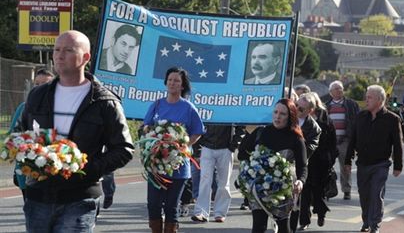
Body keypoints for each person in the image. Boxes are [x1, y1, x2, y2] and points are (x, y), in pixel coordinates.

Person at [20, 30, 134, 232]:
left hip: (79, 198)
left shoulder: (105, 101)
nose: (59, 55)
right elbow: (23, 134)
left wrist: (87, 169)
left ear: (85, 58)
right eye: (56, 49)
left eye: (68, 50)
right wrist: (29, 157)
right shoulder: (37, 95)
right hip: (38, 196)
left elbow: (124, 149)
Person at [142, 67, 205, 233]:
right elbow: (146, 126)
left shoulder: (189, 108)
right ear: (165, 82)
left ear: (182, 85)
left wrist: (184, 146)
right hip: (157, 164)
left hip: (178, 166)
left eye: (176, 81)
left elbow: (198, 131)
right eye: (170, 79)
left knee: (171, 206)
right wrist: (154, 137)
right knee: (153, 205)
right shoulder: (156, 105)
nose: (172, 83)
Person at [238, 98, 308, 233]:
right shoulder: (261, 132)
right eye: (275, 112)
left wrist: (300, 181)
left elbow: (303, 166)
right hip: (259, 187)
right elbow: (242, 154)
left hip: (283, 189)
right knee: (259, 227)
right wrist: (253, 167)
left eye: (282, 114)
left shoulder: (296, 138)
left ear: (290, 116)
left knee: (283, 227)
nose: (277, 116)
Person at [345, 85, 403, 233]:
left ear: (379, 100)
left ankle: (374, 225)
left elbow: (398, 144)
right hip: (363, 164)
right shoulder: (361, 116)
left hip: (381, 164)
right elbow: (353, 139)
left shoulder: (392, 119)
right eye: (366, 96)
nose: (366, 99)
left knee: (376, 194)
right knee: (364, 195)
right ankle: (366, 221)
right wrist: (347, 160)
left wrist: (398, 165)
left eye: (369, 97)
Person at [10, 68, 55, 200]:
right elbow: (14, 134)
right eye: (37, 84)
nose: (39, 87)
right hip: (28, 172)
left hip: (54, 173)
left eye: (45, 84)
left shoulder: (60, 108)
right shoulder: (24, 107)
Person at [299, 92, 337, 229]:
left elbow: (333, 142)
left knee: (317, 191)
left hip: (320, 162)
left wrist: (331, 159)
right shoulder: (298, 120)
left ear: (312, 108)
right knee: (305, 191)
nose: (299, 110)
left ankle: (321, 213)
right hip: (305, 160)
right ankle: (304, 221)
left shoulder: (325, 122)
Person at [191, 125, 245, 223]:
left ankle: (220, 213)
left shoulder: (232, 109)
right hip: (207, 147)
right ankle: (201, 212)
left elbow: (240, 126)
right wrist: (198, 150)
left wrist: (232, 146)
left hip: (225, 148)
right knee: (205, 180)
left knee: (224, 183)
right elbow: (200, 123)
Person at [291, 93, 321, 232]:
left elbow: (311, 147)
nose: (297, 109)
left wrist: (297, 154)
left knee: (300, 196)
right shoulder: (288, 118)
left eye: (301, 109)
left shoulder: (314, 128)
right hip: (284, 162)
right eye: (296, 106)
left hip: (301, 165)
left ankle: (300, 222)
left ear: (310, 110)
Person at [325, 80, 359, 200]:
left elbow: (357, 122)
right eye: (336, 89)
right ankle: (327, 190)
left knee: (346, 166)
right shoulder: (326, 106)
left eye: (340, 88)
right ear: (330, 92)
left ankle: (346, 190)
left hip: (345, 141)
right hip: (330, 141)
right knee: (327, 166)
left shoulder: (351, 104)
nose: (339, 90)